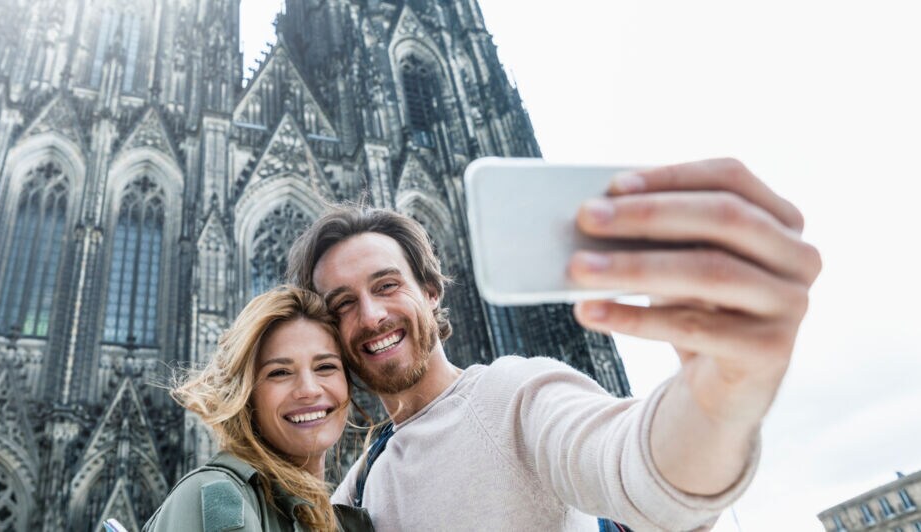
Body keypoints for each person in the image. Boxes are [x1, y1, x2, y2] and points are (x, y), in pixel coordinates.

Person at [285, 158, 822, 531]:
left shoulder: (514, 397)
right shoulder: (358, 484)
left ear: (430, 291)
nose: (372, 315)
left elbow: (638, 471)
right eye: (343, 304)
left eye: (386, 285)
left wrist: (718, 401)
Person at [143, 286, 374, 532]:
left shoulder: (337, 519)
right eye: (280, 372)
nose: (309, 389)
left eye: (325, 366)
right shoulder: (218, 500)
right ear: (245, 394)